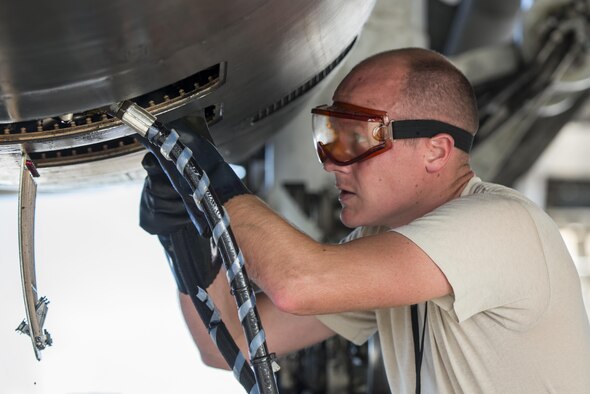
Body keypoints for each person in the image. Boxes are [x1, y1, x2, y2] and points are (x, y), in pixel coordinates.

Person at [139, 47, 590, 393]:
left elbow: (299, 282)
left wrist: (208, 179)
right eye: (329, 137)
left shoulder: (500, 227)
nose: (333, 163)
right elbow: (232, 343)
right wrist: (181, 234)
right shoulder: (389, 244)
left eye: (355, 138)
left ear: (435, 151)